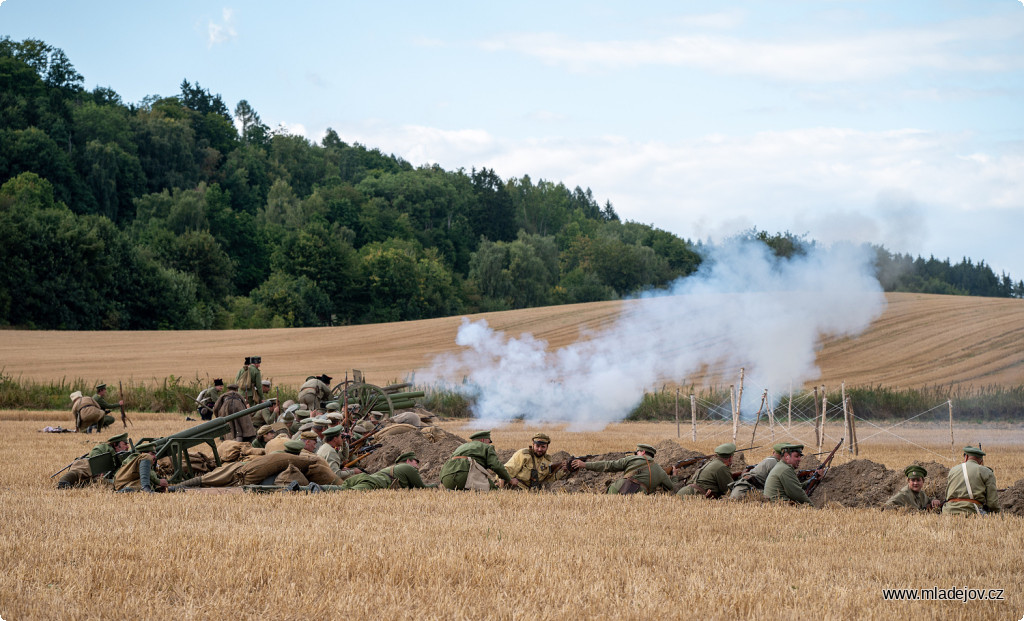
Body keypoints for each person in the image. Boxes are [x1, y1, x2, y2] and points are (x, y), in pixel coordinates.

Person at [572, 444, 675, 495]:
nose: (636, 454)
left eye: (637, 452)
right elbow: (671, 487)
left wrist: (585, 465)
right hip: (639, 497)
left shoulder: (633, 459)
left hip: (619, 488)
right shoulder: (660, 470)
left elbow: (609, 465)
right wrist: (674, 476)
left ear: (643, 452)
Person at [440, 430, 513, 491]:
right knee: (493, 489)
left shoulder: (461, 447)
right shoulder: (487, 447)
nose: (489, 443)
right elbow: (496, 466)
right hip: (465, 475)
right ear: (483, 440)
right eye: (489, 441)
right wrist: (508, 479)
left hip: (446, 477)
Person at [57, 433, 130, 489]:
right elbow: (95, 455)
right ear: (115, 444)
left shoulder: (120, 458)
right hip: (87, 463)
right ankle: (63, 481)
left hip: (98, 475)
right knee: (82, 470)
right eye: (125, 444)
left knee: (102, 483)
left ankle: (79, 485)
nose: (127, 447)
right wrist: (99, 469)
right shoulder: (105, 447)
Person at [943, 446, 999, 516]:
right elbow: (992, 502)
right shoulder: (986, 471)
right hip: (971, 510)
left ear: (966, 457)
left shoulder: (953, 470)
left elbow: (947, 495)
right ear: (981, 461)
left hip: (948, 511)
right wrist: (997, 512)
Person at [342, 452, 435, 490]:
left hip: (364, 478)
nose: (417, 466)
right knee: (345, 492)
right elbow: (422, 487)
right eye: (416, 462)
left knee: (339, 489)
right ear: (408, 461)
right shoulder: (408, 468)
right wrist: (437, 485)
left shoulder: (395, 468)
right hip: (371, 483)